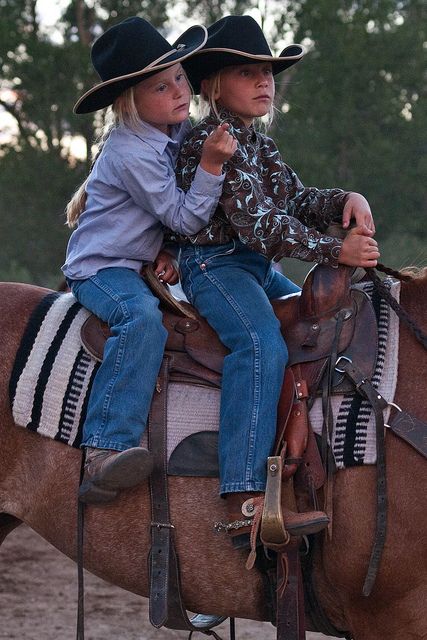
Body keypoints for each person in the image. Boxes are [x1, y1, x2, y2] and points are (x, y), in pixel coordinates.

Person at [173, 15, 380, 547]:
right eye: (249, 72)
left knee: (326, 327)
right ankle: (243, 496)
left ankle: (312, 463)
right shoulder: (207, 142)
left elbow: (297, 201)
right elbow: (260, 226)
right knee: (260, 344)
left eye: (268, 71)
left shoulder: (261, 147)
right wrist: (337, 248)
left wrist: (341, 202)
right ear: (215, 85)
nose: (265, 81)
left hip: (256, 267)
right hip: (215, 266)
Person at [62, 16, 236, 504]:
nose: (179, 91)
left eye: (180, 77)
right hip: (102, 268)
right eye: (161, 87)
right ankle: (105, 448)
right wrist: (212, 166)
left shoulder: (173, 130)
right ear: (130, 102)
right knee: (141, 321)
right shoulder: (131, 151)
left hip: (138, 258)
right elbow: (183, 216)